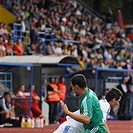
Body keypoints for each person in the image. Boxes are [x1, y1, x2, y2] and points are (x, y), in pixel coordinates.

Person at [54, 87, 123, 133]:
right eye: (118, 101)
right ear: (114, 100)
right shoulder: (104, 106)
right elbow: (99, 126)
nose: (118, 103)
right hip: (70, 128)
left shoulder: (103, 104)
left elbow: (102, 123)